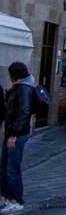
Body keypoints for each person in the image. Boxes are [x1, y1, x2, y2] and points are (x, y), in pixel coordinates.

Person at [1, 62, 33, 212]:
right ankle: (6, 198)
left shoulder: (24, 90)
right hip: (11, 133)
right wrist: (9, 91)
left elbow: (24, 113)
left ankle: (16, 200)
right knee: (5, 166)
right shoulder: (18, 88)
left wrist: (14, 134)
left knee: (12, 168)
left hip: (17, 135)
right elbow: (11, 107)